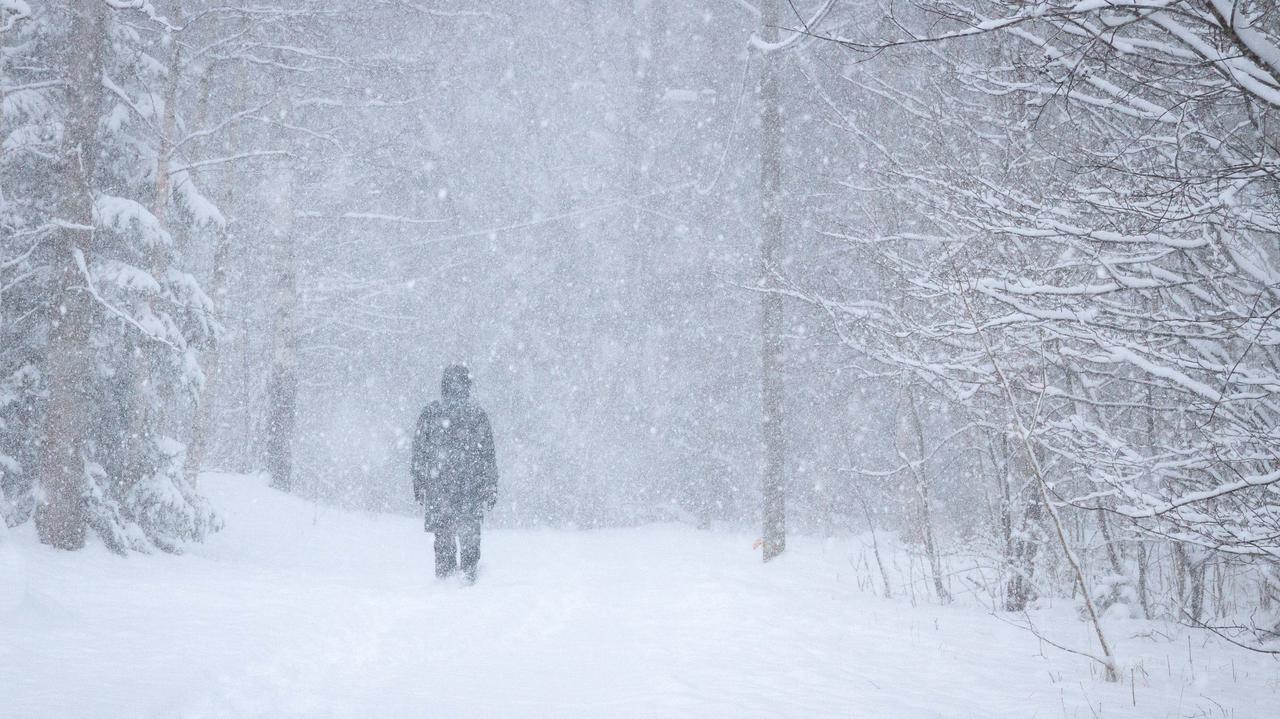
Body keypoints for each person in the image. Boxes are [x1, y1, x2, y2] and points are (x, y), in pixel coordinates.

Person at [411, 364, 498, 583]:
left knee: (443, 540)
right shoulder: (477, 414)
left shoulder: (431, 413)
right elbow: (488, 455)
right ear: (467, 385)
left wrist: (419, 481)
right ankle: (468, 580)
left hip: (439, 487)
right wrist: (490, 486)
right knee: (469, 539)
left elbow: (419, 451)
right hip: (470, 488)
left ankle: (445, 583)